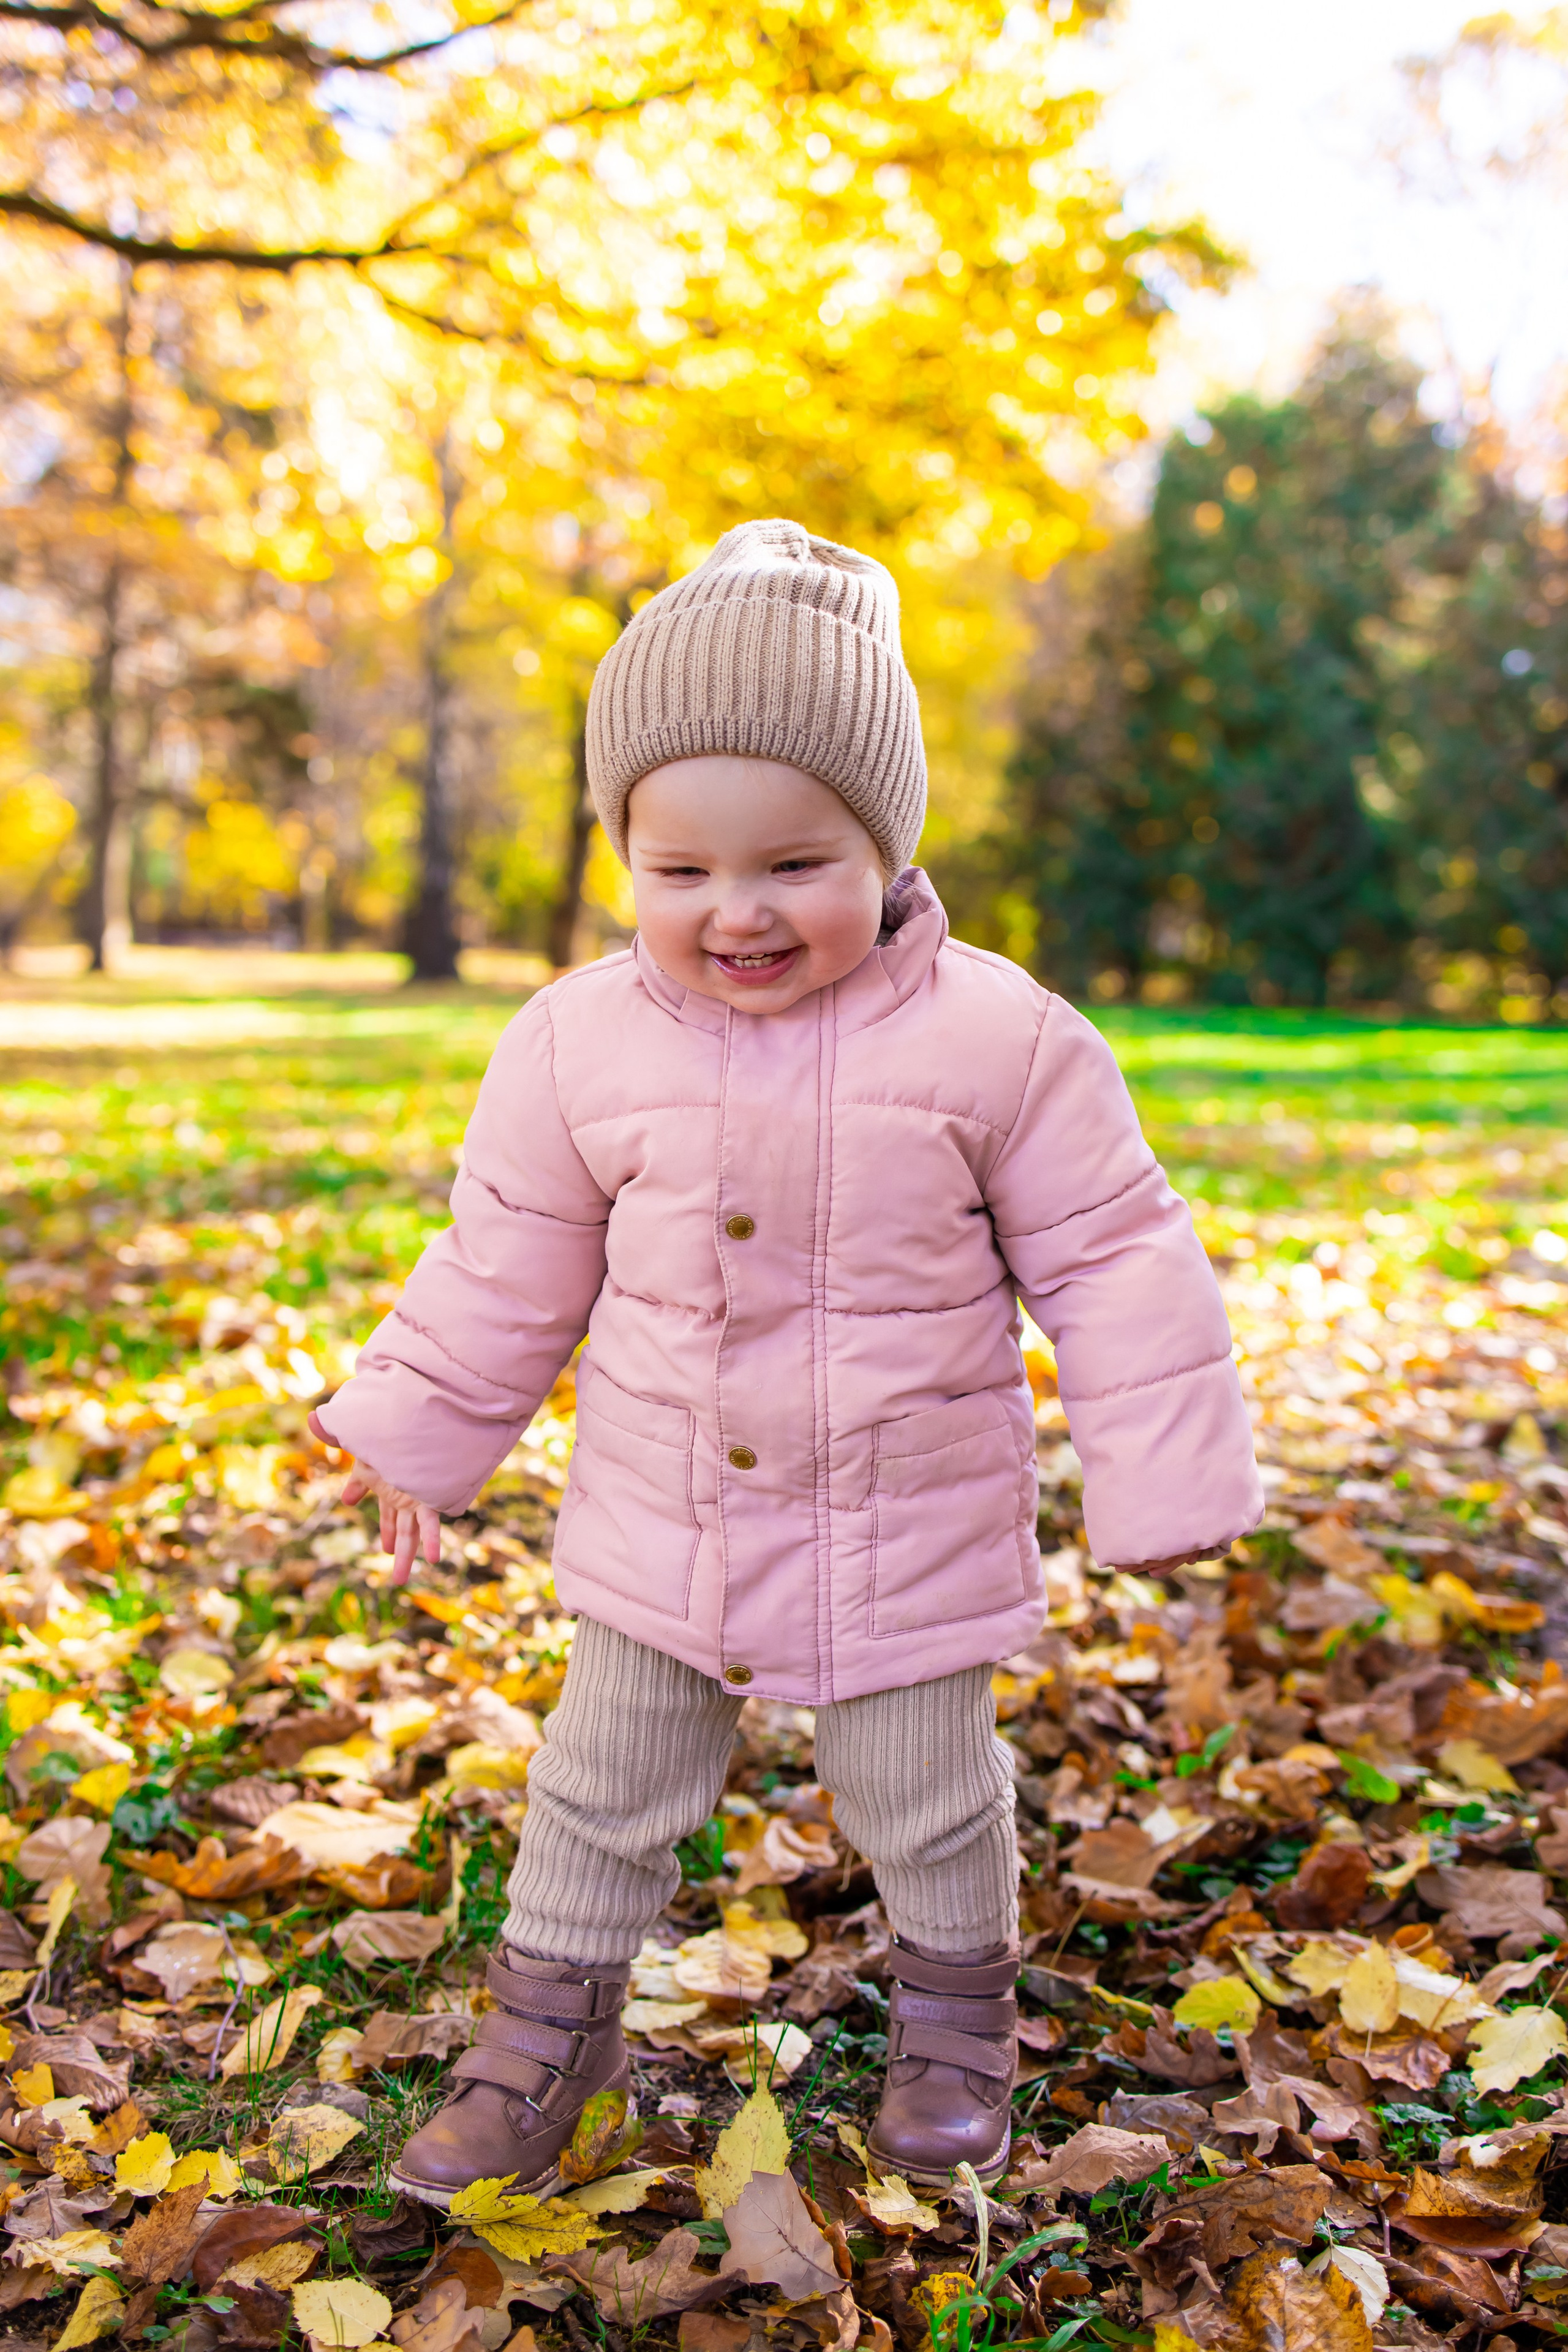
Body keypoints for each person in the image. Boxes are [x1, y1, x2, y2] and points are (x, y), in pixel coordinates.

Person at [312, 518, 1262, 2207]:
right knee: (599, 1786)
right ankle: (547, 2036)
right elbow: (506, 1256)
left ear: (888, 845)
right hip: (663, 1507)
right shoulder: (575, 1044)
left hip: (904, 1515)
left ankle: (954, 2021)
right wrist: (416, 1430)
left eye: (795, 863)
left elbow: (1115, 1253)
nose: (737, 912)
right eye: (680, 872)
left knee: (923, 1792)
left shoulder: (1001, 1040)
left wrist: (1168, 1480)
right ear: (624, 856)